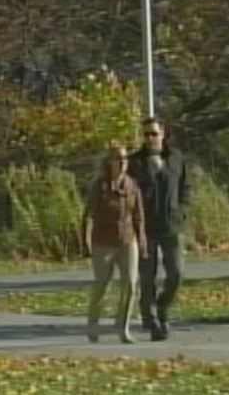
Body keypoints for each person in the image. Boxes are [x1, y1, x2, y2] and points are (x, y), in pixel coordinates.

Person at [128, 117, 190, 341]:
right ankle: (151, 317)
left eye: (154, 134)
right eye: (146, 134)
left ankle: (162, 306)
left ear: (163, 134)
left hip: (171, 224)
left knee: (176, 272)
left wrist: (182, 211)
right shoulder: (134, 162)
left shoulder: (176, 158)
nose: (150, 138)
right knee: (147, 276)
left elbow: (185, 188)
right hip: (146, 226)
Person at [82, 146, 148, 344]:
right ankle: (93, 324)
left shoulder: (131, 185)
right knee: (102, 283)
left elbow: (139, 215)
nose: (122, 162)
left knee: (130, 284)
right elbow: (88, 216)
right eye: (117, 159)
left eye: (125, 159)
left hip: (128, 240)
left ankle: (123, 328)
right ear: (109, 161)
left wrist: (142, 240)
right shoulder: (99, 186)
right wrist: (85, 241)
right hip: (103, 241)